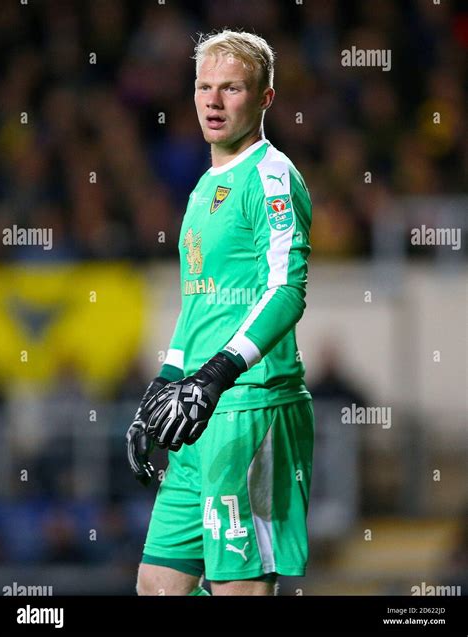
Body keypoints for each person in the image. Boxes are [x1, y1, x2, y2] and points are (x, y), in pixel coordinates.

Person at [126, 29, 314, 596]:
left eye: (231, 88)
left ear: (265, 98)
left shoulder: (273, 176)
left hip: (252, 407)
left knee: (240, 589)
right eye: (204, 87)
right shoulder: (203, 187)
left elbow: (288, 290)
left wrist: (218, 373)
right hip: (195, 414)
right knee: (157, 585)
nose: (212, 100)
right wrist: (161, 386)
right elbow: (197, 303)